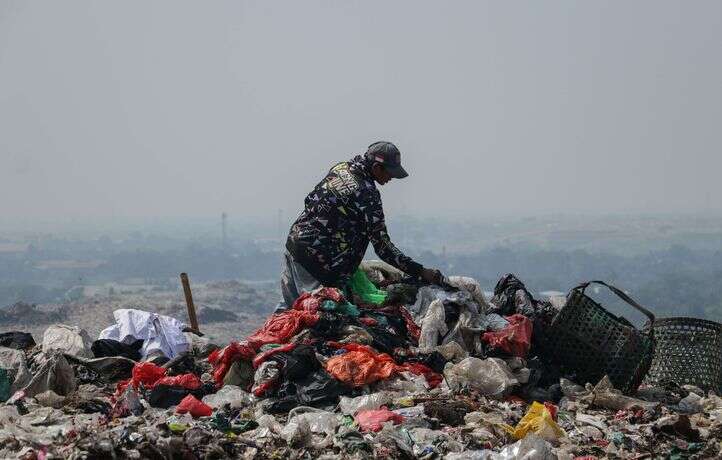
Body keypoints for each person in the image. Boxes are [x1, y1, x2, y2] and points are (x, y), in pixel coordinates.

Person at [276, 141, 444, 311]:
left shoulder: (341, 168)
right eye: (390, 173)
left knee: (287, 310)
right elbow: (383, 247)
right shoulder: (367, 194)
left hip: (294, 243)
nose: (391, 178)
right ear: (377, 168)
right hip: (317, 262)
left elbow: (310, 199)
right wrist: (420, 271)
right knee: (318, 314)